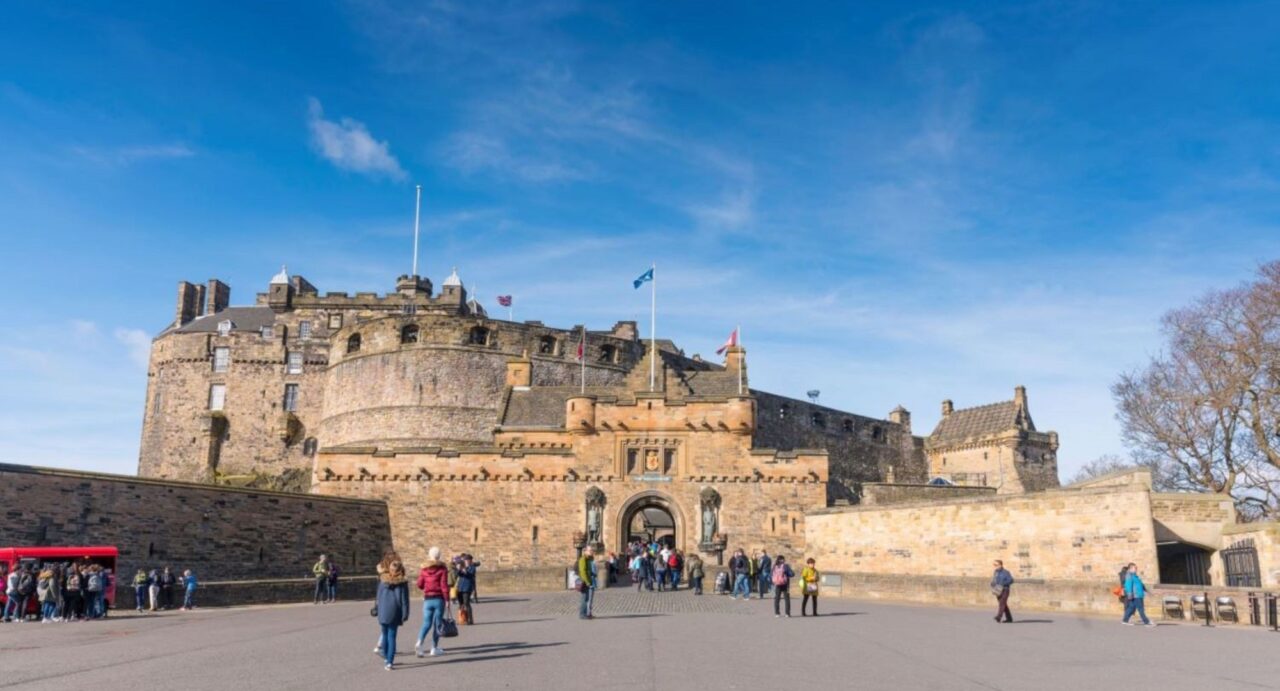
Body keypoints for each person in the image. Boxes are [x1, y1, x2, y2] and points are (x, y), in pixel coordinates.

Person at [374, 553, 410, 671]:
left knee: (384, 634)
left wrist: (376, 608)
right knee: (392, 636)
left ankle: (385, 656)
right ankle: (389, 661)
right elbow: (404, 600)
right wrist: (405, 613)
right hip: (395, 610)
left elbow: (378, 597)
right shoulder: (402, 583)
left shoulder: (383, 581)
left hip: (383, 609)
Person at [415, 547, 449, 658]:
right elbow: (444, 586)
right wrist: (447, 599)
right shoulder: (442, 569)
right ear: (439, 556)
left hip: (428, 599)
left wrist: (426, 585)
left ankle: (419, 643)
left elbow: (419, 584)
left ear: (429, 555)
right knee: (437, 624)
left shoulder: (424, 569)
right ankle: (434, 648)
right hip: (439, 599)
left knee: (426, 623)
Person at [1122, 563, 1156, 627]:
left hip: (1138, 594)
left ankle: (1125, 620)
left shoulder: (1135, 576)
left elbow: (1140, 585)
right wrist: (1129, 594)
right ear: (1130, 568)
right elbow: (1128, 585)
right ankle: (1146, 622)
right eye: (1135, 568)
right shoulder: (1129, 576)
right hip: (1136, 595)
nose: (1136, 569)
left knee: (1131, 608)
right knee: (1141, 609)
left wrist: (1146, 591)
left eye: (1136, 568)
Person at [455, 554, 477, 624]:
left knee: (466, 603)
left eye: (467, 560)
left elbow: (469, 575)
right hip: (460, 587)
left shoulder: (472, 567)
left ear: (470, 560)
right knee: (460, 604)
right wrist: (458, 569)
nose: (466, 561)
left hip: (467, 588)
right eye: (465, 560)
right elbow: (459, 574)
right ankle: (461, 618)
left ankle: (470, 620)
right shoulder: (463, 567)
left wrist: (465, 570)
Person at [991, 559, 1014, 624]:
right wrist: (992, 583)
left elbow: (1011, 580)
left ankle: (999, 616)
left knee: (1002, 603)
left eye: (996, 565)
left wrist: (1002, 583)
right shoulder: (996, 572)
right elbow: (994, 580)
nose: (995, 566)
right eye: (994, 565)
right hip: (998, 590)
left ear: (1000, 565)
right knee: (1004, 605)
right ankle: (1009, 618)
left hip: (1005, 590)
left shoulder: (1006, 572)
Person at [577, 546, 596, 620]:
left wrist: (592, 574)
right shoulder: (583, 559)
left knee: (587, 598)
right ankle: (582, 614)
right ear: (585, 551)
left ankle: (587, 614)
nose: (591, 552)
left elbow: (589, 570)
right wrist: (587, 582)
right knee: (584, 599)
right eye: (590, 550)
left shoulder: (589, 559)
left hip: (589, 581)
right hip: (584, 582)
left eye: (592, 550)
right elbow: (583, 572)